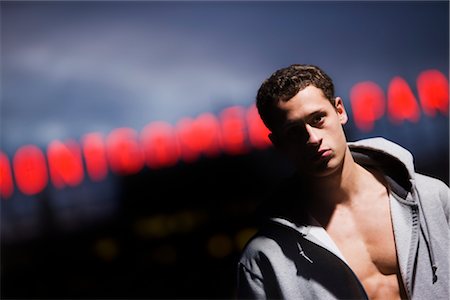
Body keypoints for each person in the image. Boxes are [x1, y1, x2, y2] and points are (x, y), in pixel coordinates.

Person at [236, 64, 449, 300]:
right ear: (278, 143)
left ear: (339, 111)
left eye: (318, 119)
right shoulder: (264, 258)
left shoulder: (433, 199)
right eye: (294, 132)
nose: (313, 139)